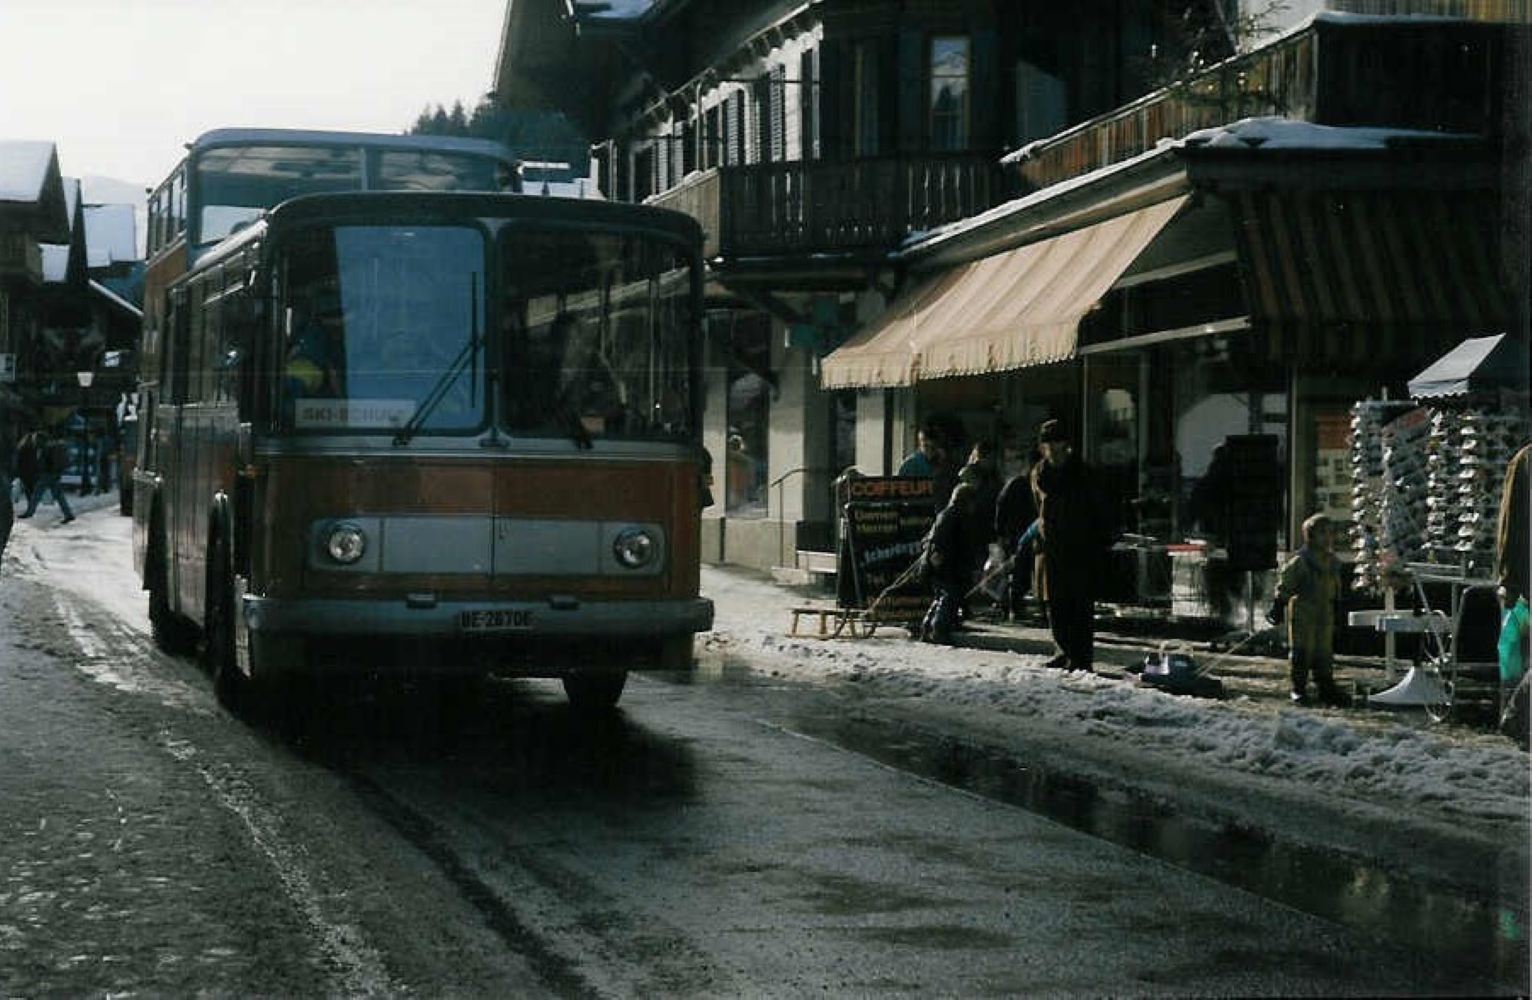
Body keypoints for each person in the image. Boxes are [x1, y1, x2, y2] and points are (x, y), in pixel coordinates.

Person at [1031, 419, 1109, 672]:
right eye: (1047, 443)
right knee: (1054, 602)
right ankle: (1062, 650)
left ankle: (1081, 657)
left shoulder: (1083, 473)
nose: (1052, 448)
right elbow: (1038, 507)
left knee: (1079, 604)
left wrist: (1098, 541)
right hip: (1051, 545)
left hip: (1080, 546)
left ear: (1066, 444)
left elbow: (1098, 510)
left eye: (1056, 442)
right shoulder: (1039, 474)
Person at [1268, 513, 1348, 707]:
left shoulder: (1332, 562)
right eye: (1322, 533)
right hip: (1304, 609)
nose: (1328, 538)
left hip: (1325, 610)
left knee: (1324, 649)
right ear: (1310, 536)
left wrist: (1338, 606)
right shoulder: (1301, 561)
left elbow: (1336, 586)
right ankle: (1299, 687)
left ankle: (1325, 685)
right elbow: (1286, 583)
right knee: (1302, 649)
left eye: (1330, 533)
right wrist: (1279, 605)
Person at [1494, 441, 1530, 743]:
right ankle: (1516, 714)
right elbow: (1511, 523)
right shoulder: (1525, 461)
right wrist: (1509, 578)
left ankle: (1516, 715)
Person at [917, 481, 978, 645]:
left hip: (941, 564)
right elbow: (946, 543)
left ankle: (927, 627)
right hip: (946, 565)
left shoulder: (947, 514)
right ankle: (939, 629)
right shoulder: (955, 516)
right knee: (948, 597)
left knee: (939, 597)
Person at [994, 448, 1040, 620]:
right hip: (1017, 534)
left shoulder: (1018, 483)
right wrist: (1000, 534)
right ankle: (1012, 605)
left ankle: (1011, 605)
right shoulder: (1021, 484)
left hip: (1019, 533)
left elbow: (1001, 508)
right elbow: (1002, 508)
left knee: (1018, 572)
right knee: (1019, 572)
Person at [18, 428, 74, 524]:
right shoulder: (50, 447)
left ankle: (29, 512)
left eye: (36, 439)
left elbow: (43, 463)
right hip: (54, 474)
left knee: (36, 494)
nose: (34, 441)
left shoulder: (45, 448)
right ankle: (68, 514)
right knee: (59, 496)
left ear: (41, 439)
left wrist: (41, 470)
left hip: (47, 475)